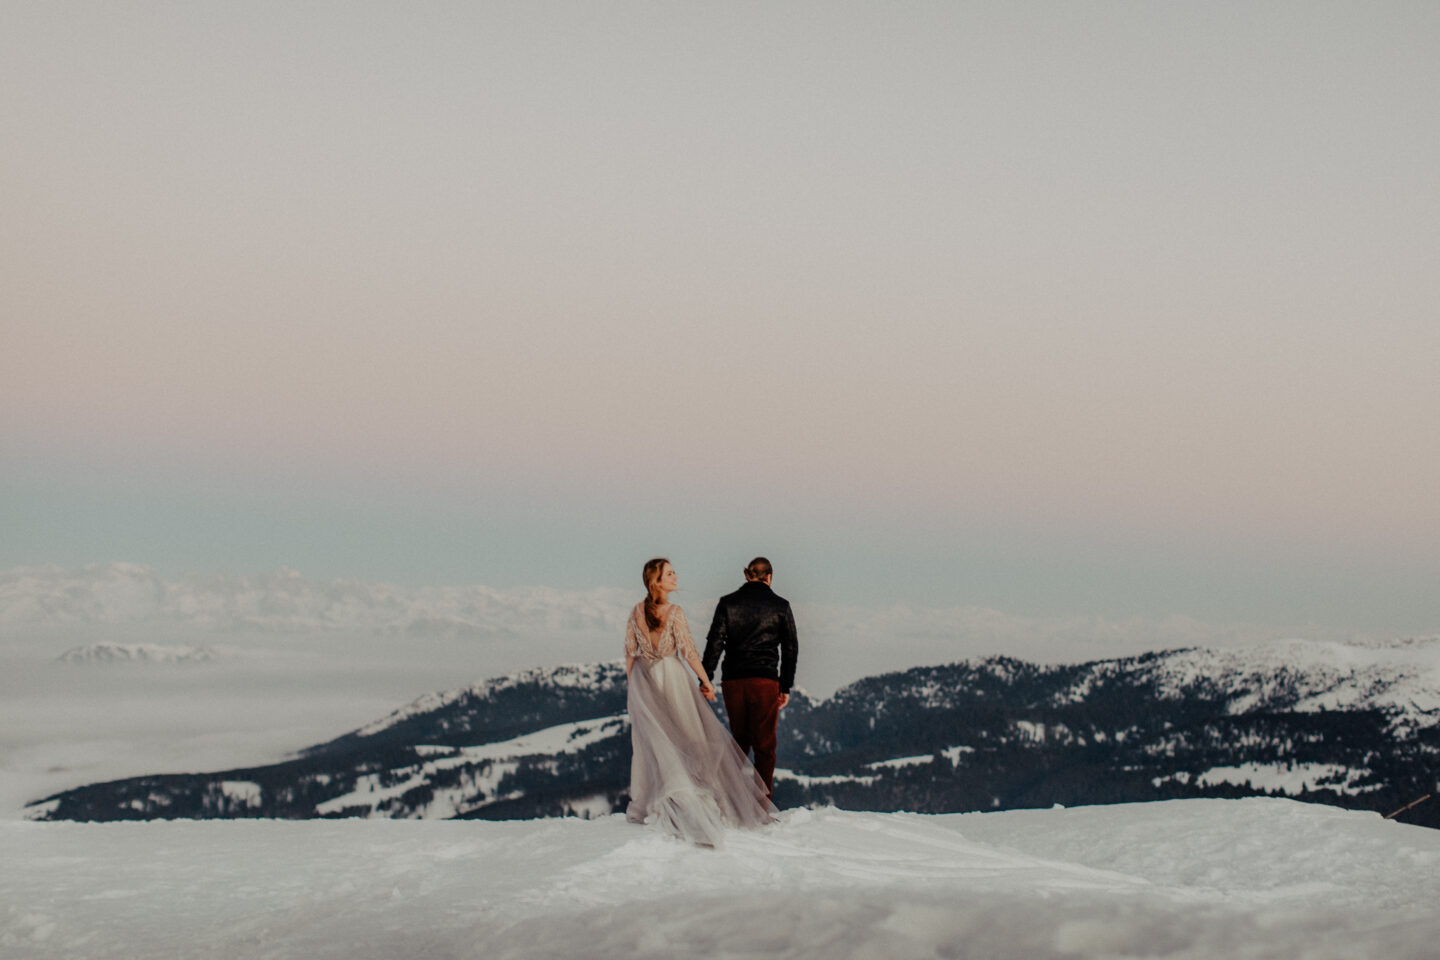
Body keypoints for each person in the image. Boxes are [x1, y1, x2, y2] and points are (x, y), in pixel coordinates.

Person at [624, 558, 776, 845]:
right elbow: (689, 651)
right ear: (656, 581)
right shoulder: (675, 612)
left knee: (654, 743)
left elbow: (630, 653)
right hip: (672, 678)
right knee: (691, 737)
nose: (675, 576)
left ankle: (651, 798)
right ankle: (693, 796)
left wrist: (633, 687)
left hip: (646, 679)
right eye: (669, 573)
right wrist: (706, 682)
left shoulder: (636, 612)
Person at [702, 557, 798, 799]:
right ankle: (761, 806)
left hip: (733, 680)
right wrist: (785, 685)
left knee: (739, 741)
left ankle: (726, 798)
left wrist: (706, 677)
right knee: (765, 745)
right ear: (769, 577)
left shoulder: (727, 603)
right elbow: (790, 649)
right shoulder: (781, 606)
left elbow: (715, 642)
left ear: (747, 575)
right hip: (765, 680)